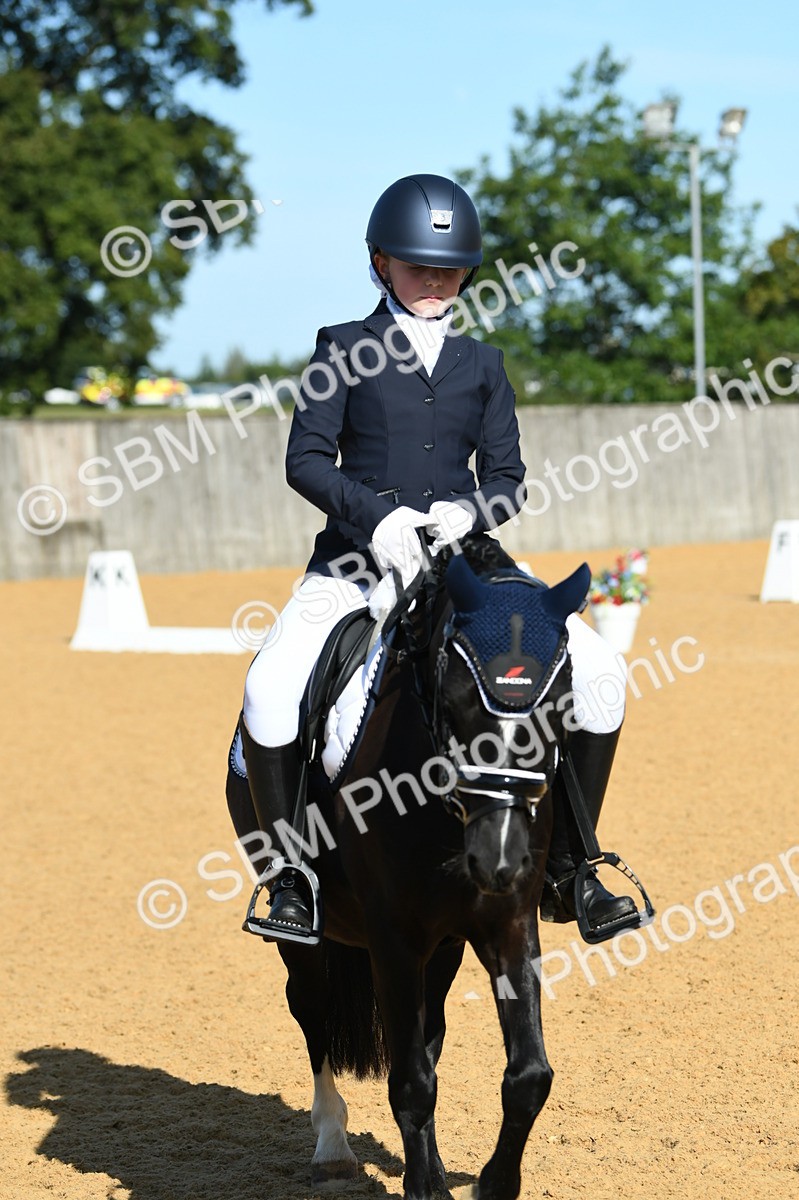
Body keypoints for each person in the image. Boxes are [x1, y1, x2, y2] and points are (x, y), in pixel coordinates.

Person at [226, 173, 637, 944]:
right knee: (270, 688)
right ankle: (290, 878)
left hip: (465, 567)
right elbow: (306, 460)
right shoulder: (340, 348)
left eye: (447, 269)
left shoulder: (482, 362)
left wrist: (467, 511)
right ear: (381, 264)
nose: (434, 280)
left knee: (605, 674)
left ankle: (574, 868)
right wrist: (376, 518)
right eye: (418, 267)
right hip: (353, 563)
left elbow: (507, 478)